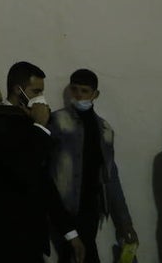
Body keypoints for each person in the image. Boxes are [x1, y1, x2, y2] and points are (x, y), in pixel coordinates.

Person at [0, 61, 80, 263]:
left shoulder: (32, 121)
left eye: (42, 91)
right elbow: (22, 169)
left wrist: (70, 232)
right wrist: (39, 127)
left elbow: (43, 179)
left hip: (30, 237)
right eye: (35, 91)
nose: (40, 98)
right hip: (1, 236)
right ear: (17, 89)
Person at [49, 69, 135, 263]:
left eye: (85, 91)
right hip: (63, 208)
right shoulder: (57, 121)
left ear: (95, 94)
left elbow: (110, 175)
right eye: (75, 89)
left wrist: (124, 222)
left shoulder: (104, 130)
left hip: (90, 209)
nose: (79, 95)